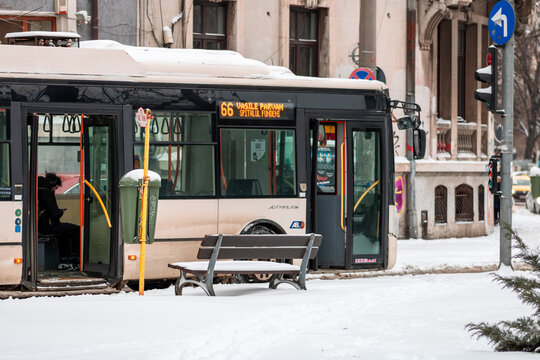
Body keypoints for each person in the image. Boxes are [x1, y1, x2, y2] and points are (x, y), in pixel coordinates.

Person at [38, 173, 80, 263]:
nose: (55, 190)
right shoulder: (47, 193)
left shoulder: (37, 190)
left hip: (41, 225)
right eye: (56, 188)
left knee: (64, 232)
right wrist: (61, 211)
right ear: (53, 184)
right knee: (77, 229)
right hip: (48, 226)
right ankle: (74, 257)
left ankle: (64, 257)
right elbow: (55, 214)